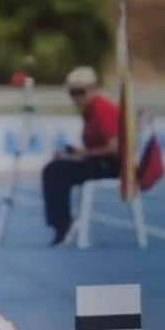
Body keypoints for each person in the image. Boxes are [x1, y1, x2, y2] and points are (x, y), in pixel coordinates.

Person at [42, 67, 120, 247]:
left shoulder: (102, 110)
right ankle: (61, 223)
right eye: (72, 93)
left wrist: (83, 155)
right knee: (56, 166)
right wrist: (73, 153)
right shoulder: (89, 111)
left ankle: (62, 225)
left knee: (55, 171)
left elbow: (115, 148)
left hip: (111, 165)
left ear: (93, 89)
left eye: (80, 92)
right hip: (99, 161)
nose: (76, 98)